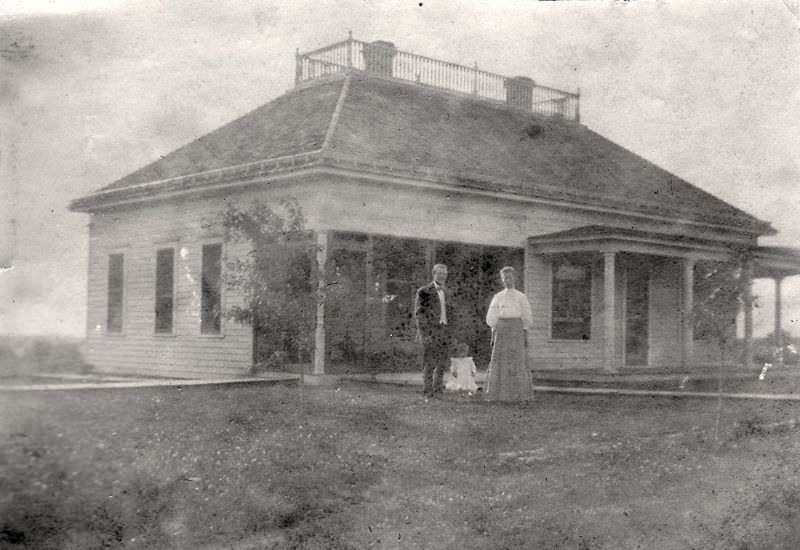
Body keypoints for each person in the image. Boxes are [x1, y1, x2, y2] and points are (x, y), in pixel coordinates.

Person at [484, 266, 534, 402]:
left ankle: (519, 396)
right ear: (502, 280)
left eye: (510, 277)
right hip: (502, 331)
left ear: (515, 278)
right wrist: (494, 332)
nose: (508, 280)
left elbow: (527, 317)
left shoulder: (521, 297)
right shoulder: (498, 297)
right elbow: (492, 318)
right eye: (505, 278)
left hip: (516, 330)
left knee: (517, 361)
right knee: (501, 362)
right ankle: (500, 395)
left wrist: (524, 332)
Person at [414, 263, 452, 398]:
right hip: (430, 331)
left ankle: (438, 388)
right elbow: (419, 315)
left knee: (442, 362)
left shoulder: (447, 292)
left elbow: (451, 313)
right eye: (439, 273)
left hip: (444, 330)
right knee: (430, 362)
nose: (442, 276)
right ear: (434, 274)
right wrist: (425, 334)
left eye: (444, 274)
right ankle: (428, 389)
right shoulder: (424, 291)